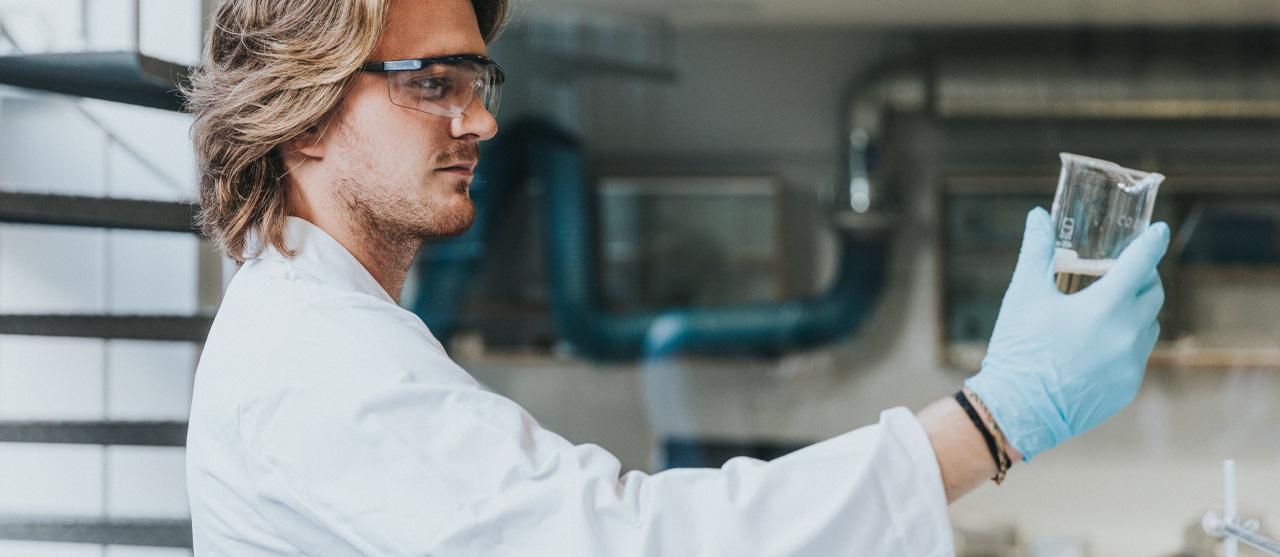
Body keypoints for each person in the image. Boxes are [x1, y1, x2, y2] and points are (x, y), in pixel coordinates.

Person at [184, 0, 1170, 554]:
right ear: (301, 111)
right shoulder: (318, 369)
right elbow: (627, 545)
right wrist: (993, 420)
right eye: (431, 85)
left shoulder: (334, 331)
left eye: (479, 85)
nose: (479, 122)